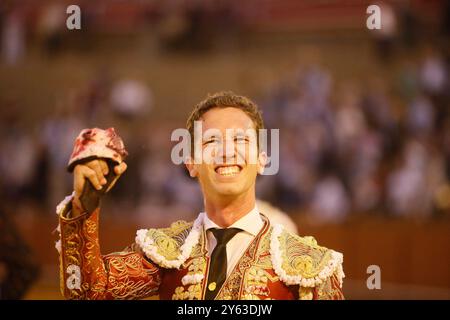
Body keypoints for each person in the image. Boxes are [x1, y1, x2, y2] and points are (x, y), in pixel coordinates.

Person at [55, 92, 344, 300]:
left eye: (241, 140)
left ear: (262, 159)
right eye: (211, 141)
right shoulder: (165, 254)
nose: (227, 151)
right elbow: (86, 291)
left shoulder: (312, 264)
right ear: (191, 163)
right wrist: (85, 204)